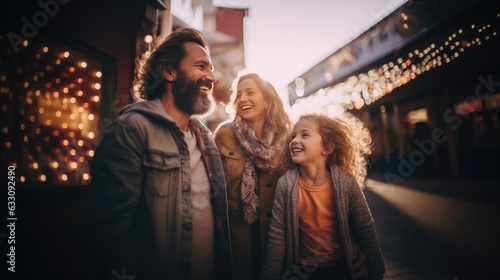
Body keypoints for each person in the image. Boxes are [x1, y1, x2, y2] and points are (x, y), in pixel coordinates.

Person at [87, 27, 232, 280]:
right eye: (201, 66)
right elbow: (109, 240)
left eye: (211, 68)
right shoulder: (130, 130)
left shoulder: (205, 139)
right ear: (168, 71)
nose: (212, 76)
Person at [261, 113, 385, 280]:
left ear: (327, 148)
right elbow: (277, 235)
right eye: (293, 136)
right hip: (303, 269)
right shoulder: (286, 184)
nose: (295, 140)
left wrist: (376, 268)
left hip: (342, 266)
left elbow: (364, 226)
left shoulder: (346, 183)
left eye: (304, 135)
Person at [214, 73, 292, 280]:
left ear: (267, 101)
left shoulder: (287, 139)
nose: (243, 99)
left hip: (276, 239)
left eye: (250, 93)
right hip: (236, 241)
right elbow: (212, 189)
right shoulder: (224, 135)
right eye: (239, 95)